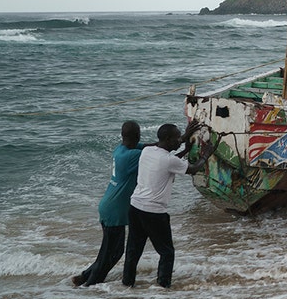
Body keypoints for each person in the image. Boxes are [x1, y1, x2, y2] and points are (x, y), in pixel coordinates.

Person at [121, 121, 217, 289]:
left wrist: (186, 148)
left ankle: (127, 284)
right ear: (167, 139)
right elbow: (193, 169)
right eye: (176, 137)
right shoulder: (168, 160)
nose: (178, 140)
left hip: (135, 207)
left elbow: (169, 163)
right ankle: (162, 286)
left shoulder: (147, 151)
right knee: (167, 252)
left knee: (133, 250)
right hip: (154, 212)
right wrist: (206, 154)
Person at [72, 121, 149, 287]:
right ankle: (89, 286)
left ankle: (84, 277)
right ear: (137, 135)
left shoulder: (121, 150)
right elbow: (157, 153)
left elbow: (150, 147)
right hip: (114, 210)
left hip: (110, 206)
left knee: (111, 251)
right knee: (110, 254)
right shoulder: (132, 156)